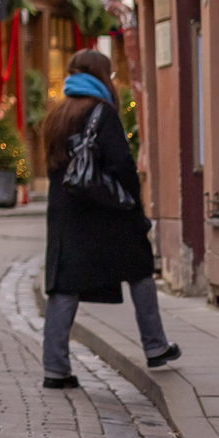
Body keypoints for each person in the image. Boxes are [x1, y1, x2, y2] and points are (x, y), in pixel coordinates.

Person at [39, 49, 181, 387]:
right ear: (101, 76)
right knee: (140, 270)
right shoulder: (101, 113)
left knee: (64, 285)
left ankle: (55, 368)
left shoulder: (57, 115)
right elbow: (121, 165)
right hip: (107, 212)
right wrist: (133, 203)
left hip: (66, 214)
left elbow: (54, 167)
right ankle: (155, 345)